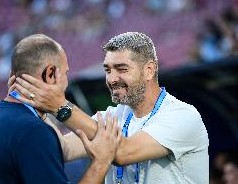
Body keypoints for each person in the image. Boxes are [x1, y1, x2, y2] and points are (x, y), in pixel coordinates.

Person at [14, 32, 209, 183]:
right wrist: (39, 107)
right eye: (107, 70)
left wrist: (60, 107)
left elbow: (124, 153)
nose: (112, 79)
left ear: (149, 70)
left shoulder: (182, 116)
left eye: (122, 69)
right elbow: (64, 150)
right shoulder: (112, 116)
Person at [0, 34, 121, 184]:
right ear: (50, 74)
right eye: (65, 73)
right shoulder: (33, 131)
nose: (66, 82)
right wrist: (101, 162)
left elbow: (64, 148)